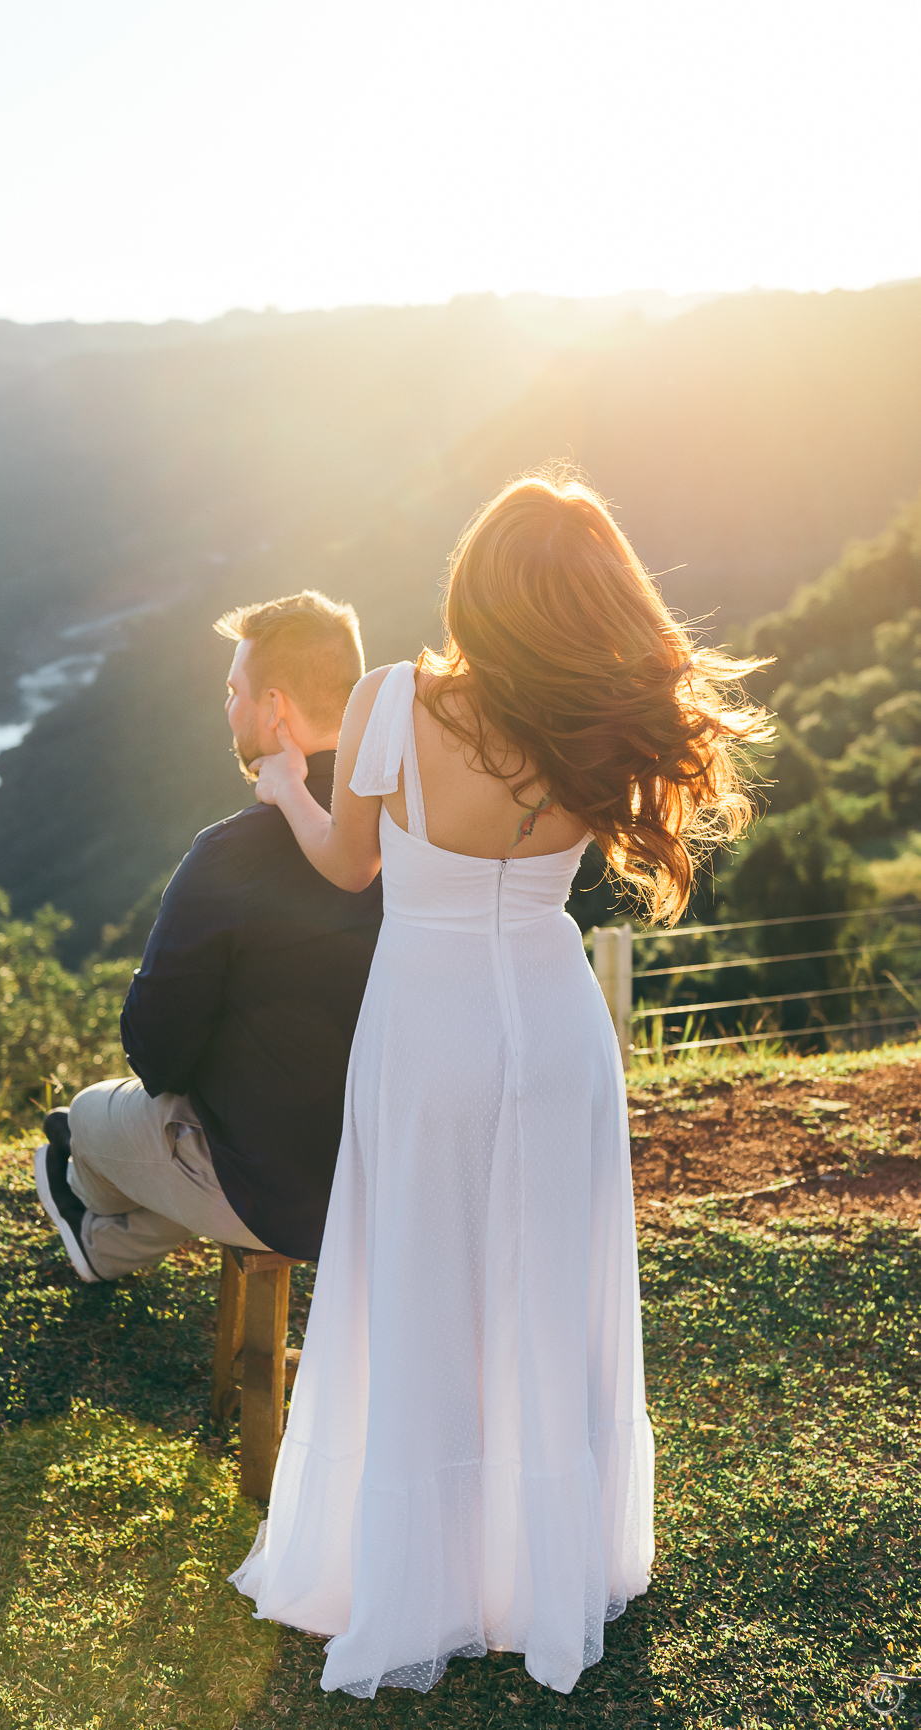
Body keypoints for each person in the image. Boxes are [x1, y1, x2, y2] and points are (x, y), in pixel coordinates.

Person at [231, 475, 772, 1697]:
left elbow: (347, 864)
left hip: (426, 1027)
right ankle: (541, 1564)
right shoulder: (596, 722)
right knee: (543, 1280)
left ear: (475, 583)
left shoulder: (390, 702)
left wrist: (283, 790)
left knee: (420, 1280)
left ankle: (414, 1568)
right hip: (554, 1019)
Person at [33, 590, 382, 1280]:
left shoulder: (233, 854)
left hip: (280, 1191)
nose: (227, 710)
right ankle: (103, 1249)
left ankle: (84, 1194)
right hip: (390, 1170)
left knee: (84, 1121)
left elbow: (155, 1053)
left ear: (274, 707)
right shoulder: (412, 831)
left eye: (233, 692)